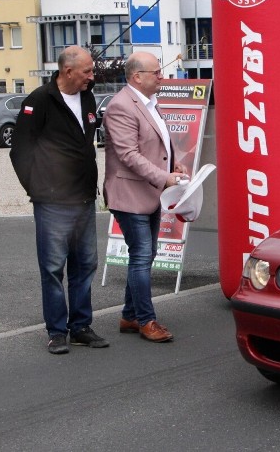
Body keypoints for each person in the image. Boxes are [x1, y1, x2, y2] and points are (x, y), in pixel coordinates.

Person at [10, 46, 108, 355]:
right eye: (87, 72)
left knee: (85, 265)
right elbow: (20, 152)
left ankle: (80, 326)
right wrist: (39, 188)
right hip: (52, 203)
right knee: (53, 269)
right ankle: (56, 331)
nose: (92, 76)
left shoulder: (88, 97)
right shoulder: (39, 101)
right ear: (67, 72)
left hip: (83, 200)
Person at [103, 51, 188, 343]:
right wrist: (164, 177)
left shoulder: (151, 103)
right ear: (137, 77)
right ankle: (146, 320)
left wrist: (172, 165)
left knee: (146, 254)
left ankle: (129, 315)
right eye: (157, 72)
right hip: (129, 193)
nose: (161, 76)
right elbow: (128, 154)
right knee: (141, 256)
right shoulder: (121, 106)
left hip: (150, 191)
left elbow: (157, 144)